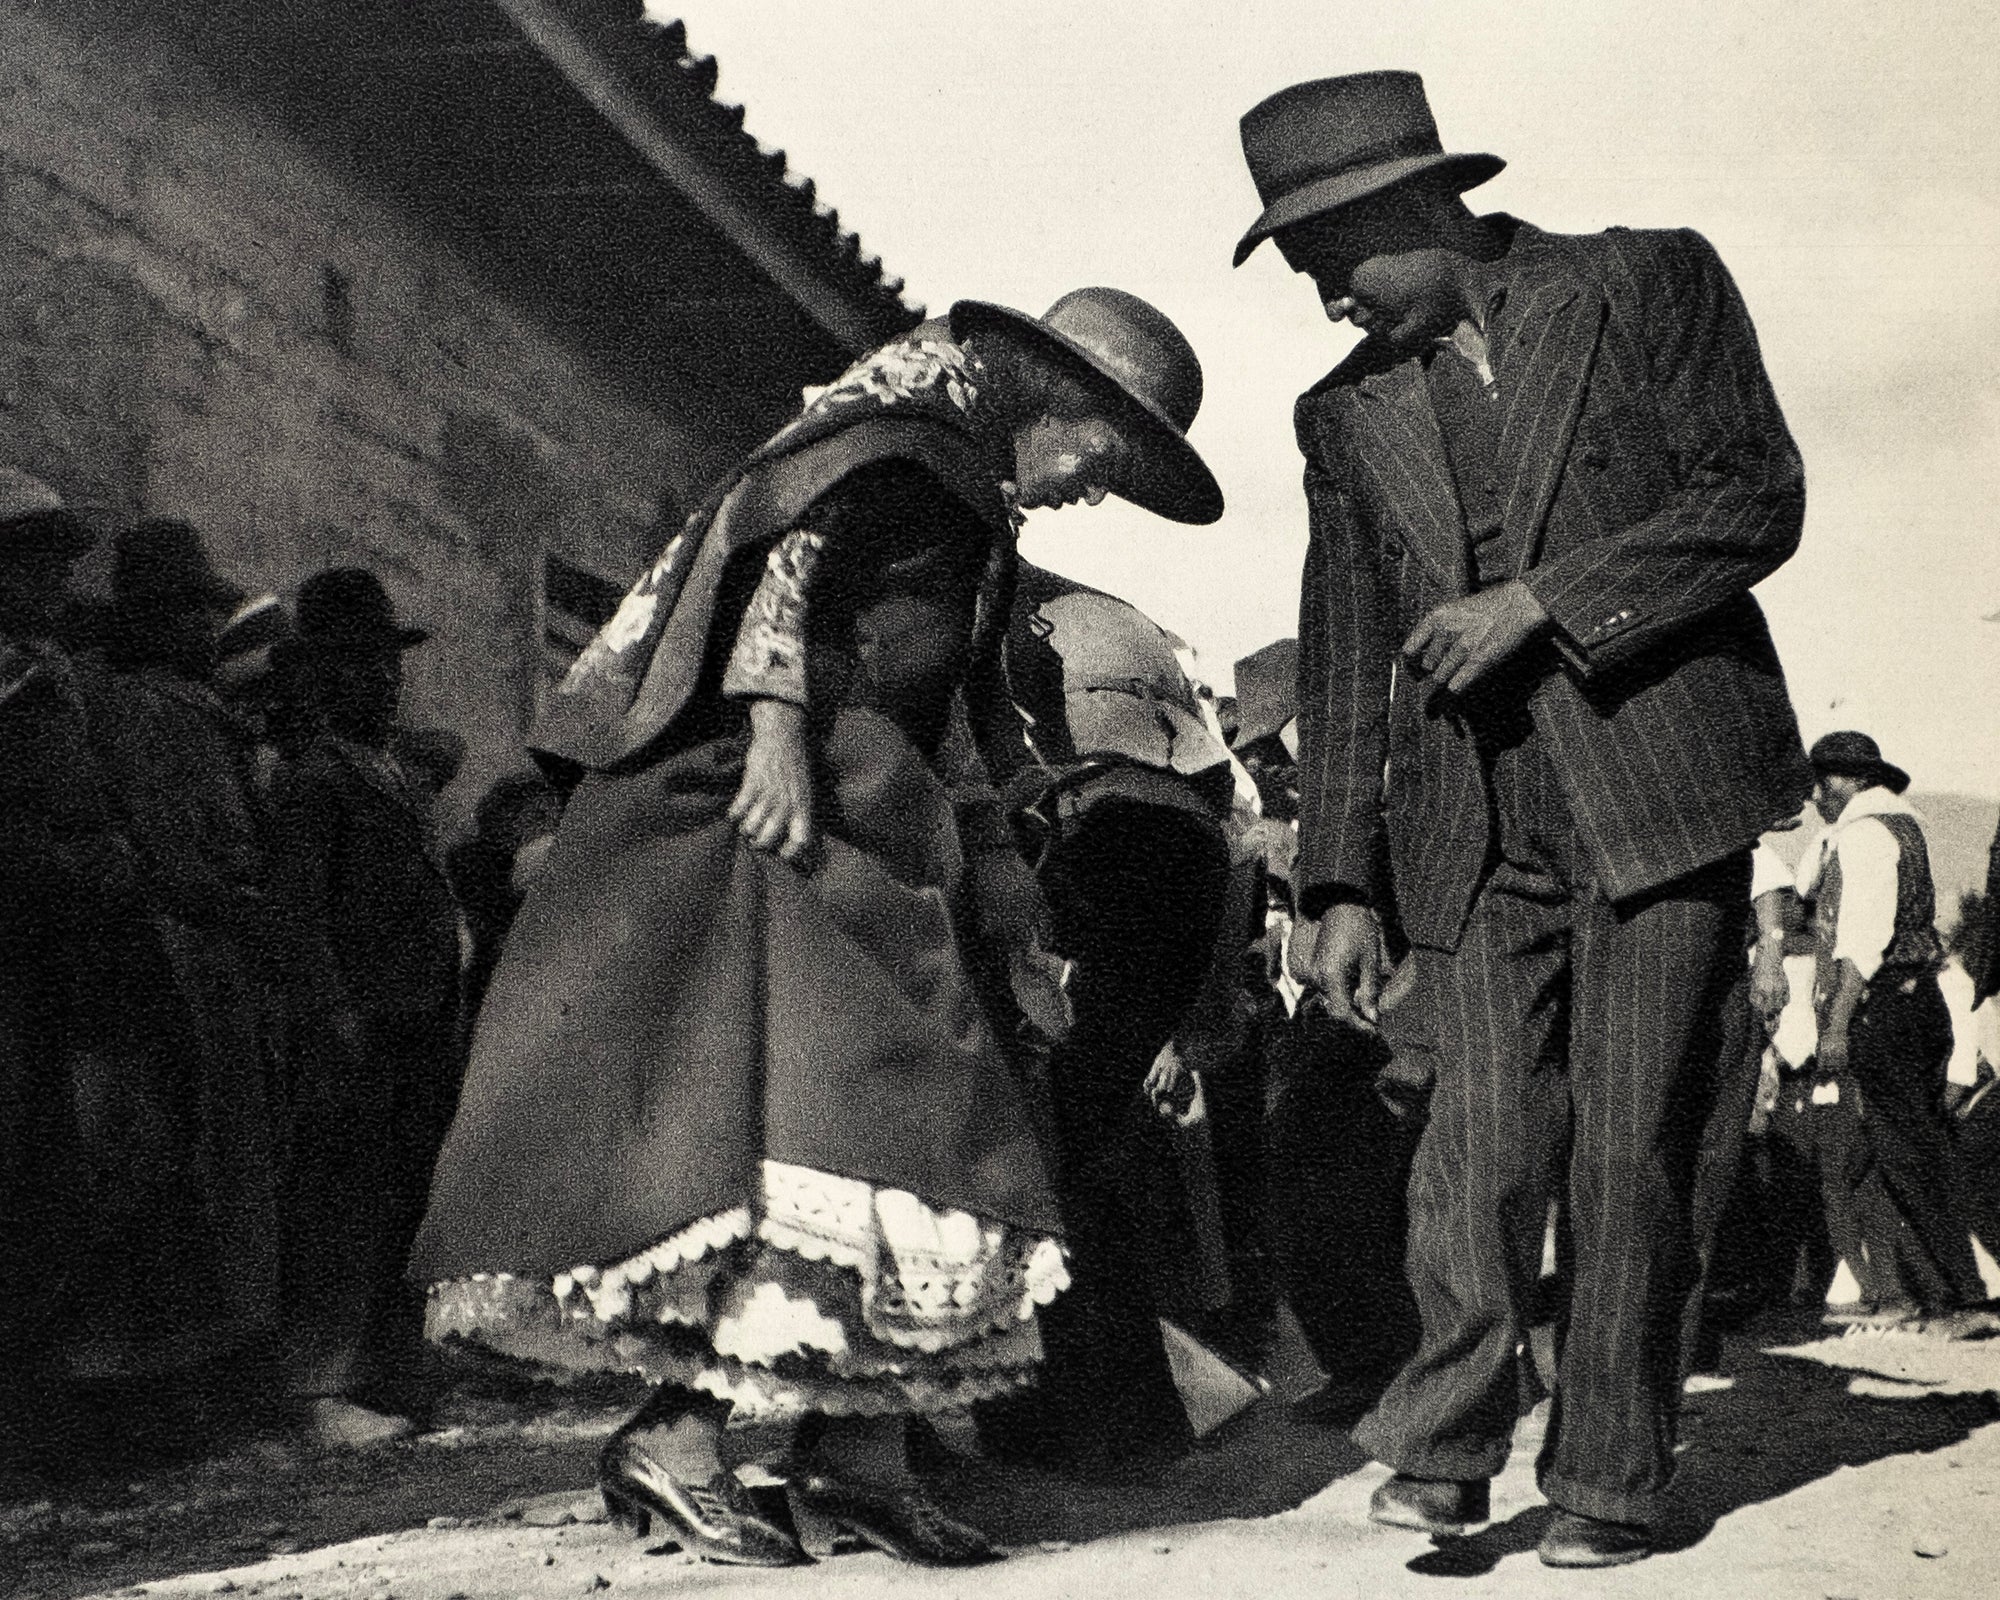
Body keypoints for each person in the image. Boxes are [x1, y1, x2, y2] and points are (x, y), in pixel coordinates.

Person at [411, 290, 1223, 1567]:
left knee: (923, 1126)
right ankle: (674, 1439)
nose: (1091, 492)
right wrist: (778, 731)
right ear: (1057, 399)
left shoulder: (960, 486)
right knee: (810, 1133)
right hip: (784, 801)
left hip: (884, 808)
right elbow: (778, 556)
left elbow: (951, 698)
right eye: (1104, 460)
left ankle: (859, 1458)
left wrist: (1000, 860)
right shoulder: (893, 444)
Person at [1236, 72, 1812, 1567]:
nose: (1327, 309)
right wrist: (1335, 881)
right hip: (1468, 826)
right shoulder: (1343, 415)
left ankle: (1615, 1474)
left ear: (1417, 208)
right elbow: (1350, 644)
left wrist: (1544, 604)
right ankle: (1444, 1444)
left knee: (1635, 1151)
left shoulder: (1643, 283)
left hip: (1664, 794)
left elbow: (1757, 498)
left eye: (1332, 268)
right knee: (1475, 1149)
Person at [967, 557, 1237, 1473]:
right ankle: (1123, 1417)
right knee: (1085, 1147)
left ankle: (1089, 1420)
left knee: (1054, 1149)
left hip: (1096, 844)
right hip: (1176, 859)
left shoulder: (1009, 600)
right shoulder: (1106, 610)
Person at [78, 519, 285, 1412]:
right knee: (187, 1158)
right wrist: (236, 905)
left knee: (231, 1159)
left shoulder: (196, 713)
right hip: (179, 951)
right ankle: (175, 1383)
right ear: (150, 621)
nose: (206, 628)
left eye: (207, 612)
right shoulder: (145, 710)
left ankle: (214, 1371)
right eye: (185, 612)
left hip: (214, 945)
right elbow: (172, 850)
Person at [266, 568, 464, 1446]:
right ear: (320, 677)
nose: (384, 680)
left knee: (401, 1199)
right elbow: (298, 919)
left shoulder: (388, 771)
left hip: (416, 1017)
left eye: (388, 663)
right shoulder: (314, 779)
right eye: (360, 664)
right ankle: (319, 1392)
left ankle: (387, 1371)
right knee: (339, 1204)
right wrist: (331, 1016)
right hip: (357, 1024)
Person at [0, 471, 143, 1476]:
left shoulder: (45, 672)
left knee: (59, 1170)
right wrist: (73, 863)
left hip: (56, 959)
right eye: (33, 557)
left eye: (60, 557)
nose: (56, 577)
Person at [1795, 732, 1985, 1328]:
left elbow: (1861, 942)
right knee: (1892, 1153)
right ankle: (1922, 1291)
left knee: (1911, 1155)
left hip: (1885, 1004)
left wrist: (1838, 1025)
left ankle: (1965, 1296)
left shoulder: (1866, 836)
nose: (1815, 797)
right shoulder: (1888, 829)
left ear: (1844, 781)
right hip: (1909, 1001)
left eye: (1821, 785)